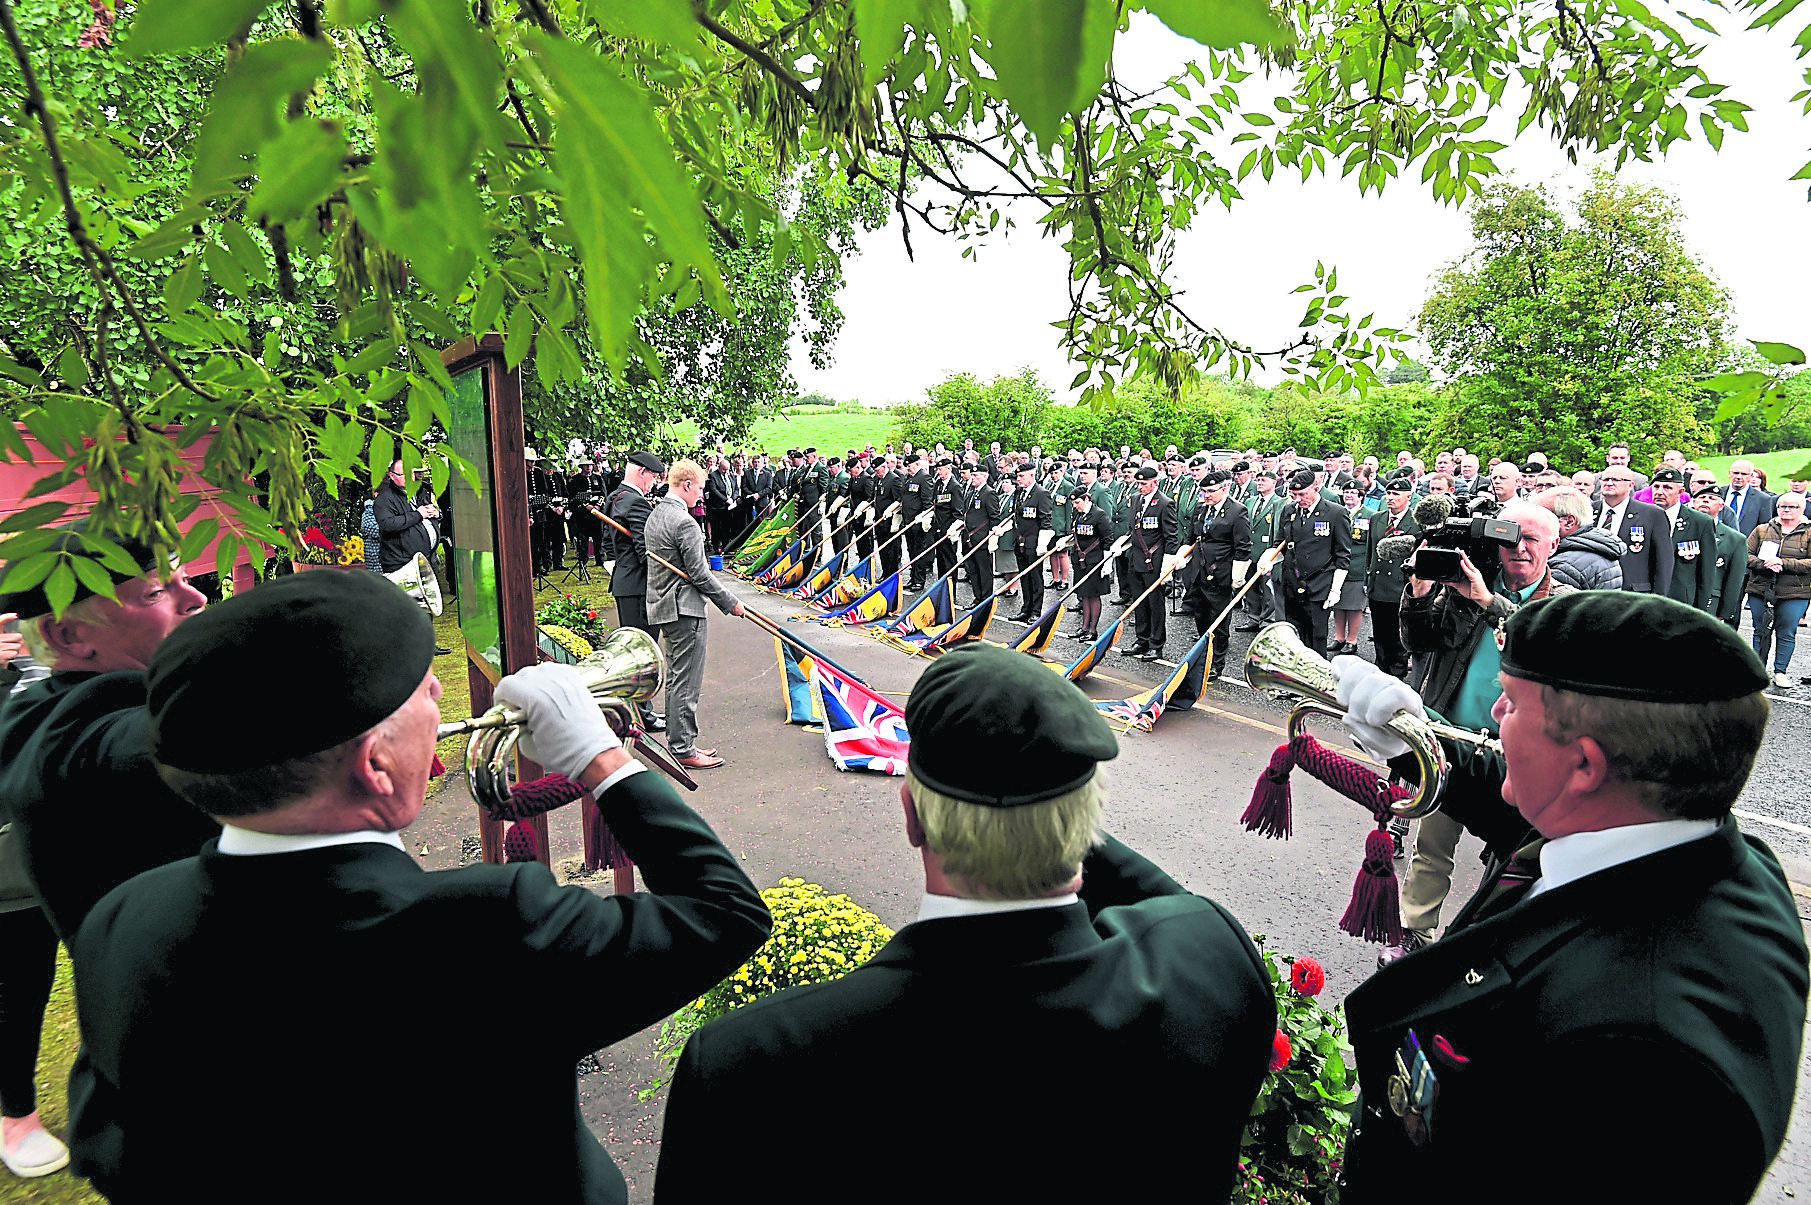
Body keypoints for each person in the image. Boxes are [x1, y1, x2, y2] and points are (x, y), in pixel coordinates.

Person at [67, 569, 770, 1203]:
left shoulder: (120, 918)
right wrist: (602, 759)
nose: (438, 695)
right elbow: (724, 912)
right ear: (375, 763)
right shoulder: (491, 927)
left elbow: (106, 1142)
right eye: (419, 688)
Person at [654, 642, 1274, 1202]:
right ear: (1086, 822)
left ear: (911, 816)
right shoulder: (1209, 966)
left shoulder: (753, 1065)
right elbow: (1174, 904)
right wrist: (1052, 806)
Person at [1338, 593, 1808, 1205]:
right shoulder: (1665, 829)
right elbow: (1535, 822)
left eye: (1511, 699)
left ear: (1585, 766)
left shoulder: (1645, 1064)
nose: (1495, 710)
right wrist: (1412, 743)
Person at [0, 526, 219, 946]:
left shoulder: (41, 706)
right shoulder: (93, 735)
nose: (197, 600)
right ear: (67, 635)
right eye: (155, 593)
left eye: (186, 581)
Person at [1384, 502, 1568, 964]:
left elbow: (1546, 647)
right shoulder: (1462, 587)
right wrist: (1422, 591)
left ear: (1554, 545)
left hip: (1519, 754)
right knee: (1431, 848)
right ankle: (1414, 936)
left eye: (1532, 540)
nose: (1520, 550)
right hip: (1453, 739)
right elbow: (1418, 641)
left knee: (1509, 858)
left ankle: (1483, 949)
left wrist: (1488, 601)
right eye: (1512, 540)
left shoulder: (1563, 601)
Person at [645, 460, 748, 769]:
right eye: (700, 488)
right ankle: (683, 748)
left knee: (679, 678)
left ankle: (683, 741)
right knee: (686, 681)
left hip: (664, 605)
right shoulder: (684, 521)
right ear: (686, 485)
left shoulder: (656, 514)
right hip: (684, 609)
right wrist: (731, 603)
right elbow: (700, 575)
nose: (701, 495)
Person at [606, 450, 668, 731]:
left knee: (633, 650)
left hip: (625, 582)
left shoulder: (616, 497)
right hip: (640, 586)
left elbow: (611, 546)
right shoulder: (636, 503)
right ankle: (641, 714)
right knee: (643, 652)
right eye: (653, 477)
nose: (654, 483)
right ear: (642, 472)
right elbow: (647, 552)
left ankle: (638, 711)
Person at [1274, 468, 1351, 660]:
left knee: (1316, 636)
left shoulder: (1335, 513)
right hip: (1293, 581)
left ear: (1316, 489)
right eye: (1294, 495)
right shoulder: (1289, 510)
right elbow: (1280, 543)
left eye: (1302, 494)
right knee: (1295, 635)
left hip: (1319, 584)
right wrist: (1269, 559)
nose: (1298, 499)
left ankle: (1316, 681)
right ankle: (1295, 681)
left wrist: (1335, 589)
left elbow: (1342, 554)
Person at [1180, 470, 1250, 680]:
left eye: (1211, 491)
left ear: (1225, 488)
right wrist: (1181, 555)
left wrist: (1237, 576)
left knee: (1218, 622)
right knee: (1200, 617)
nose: (1206, 495)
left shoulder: (1237, 511)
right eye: (1203, 491)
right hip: (1199, 572)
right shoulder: (1201, 508)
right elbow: (1192, 537)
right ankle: (1202, 659)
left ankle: (1216, 664)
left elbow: (1243, 547)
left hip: (1221, 575)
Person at [1746, 491, 1810, 690]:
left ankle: (1780, 672)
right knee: (1760, 631)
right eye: (1783, 506)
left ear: (1802, 509)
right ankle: (1756, 672)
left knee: (1786, 632)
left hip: (1795, 593)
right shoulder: (1762, 530)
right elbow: (1745, 555)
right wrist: (1765, 564)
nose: (1787, 510)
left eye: (1792, 507)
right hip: (1760, 588)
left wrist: (1784, 563)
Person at [1363, 477, 1420, 677]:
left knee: (1397, 634)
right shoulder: (1378, 518)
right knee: (1379, 631)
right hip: (1378, 584)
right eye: (1388, 493)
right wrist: (1366, 579)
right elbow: (1370, 551)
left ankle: (1396, 672)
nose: (1390, 497)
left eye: (1396, 494)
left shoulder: (1415, 522)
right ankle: (1380, 669)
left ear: (1409, 497)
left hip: (1400, 585)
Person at [1123, 464, 1180, 662]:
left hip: (1154, 560)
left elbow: (1171, 536)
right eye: (1138, 483)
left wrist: (1168, 564)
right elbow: (1132, 529)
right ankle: (1142, 639)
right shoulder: (1135, 500)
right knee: (1139, 601)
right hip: (1136, 557)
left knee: (1155, 604)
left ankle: (1156, 644)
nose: (1140, 487)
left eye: (1144, 484)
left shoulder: (1165, 503)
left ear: (1155, 483)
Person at [1593, 465, 1672, 595]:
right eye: (1605, 479)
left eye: (1616, 480)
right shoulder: (1589, 511)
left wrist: (1658, 601)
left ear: (1630, 485)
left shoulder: (1652, 514)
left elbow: (1663, 562)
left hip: (1633, 594)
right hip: (1593, 592)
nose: (1609, 483)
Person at [1652, 467, 1718, 612]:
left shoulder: (1700, 522)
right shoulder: (1642, 517)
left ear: (1681, 492)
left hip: (1681, 601)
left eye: (1667, 487)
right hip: (1647, 599)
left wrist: (1700, 609)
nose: (1659, 492)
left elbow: (1706, 570)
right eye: (1656, 486)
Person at [1537, 487, 1622, 590]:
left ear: (1569, 522)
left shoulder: (1565, 568)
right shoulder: (1599, 546)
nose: (1532, 523)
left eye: (1540, 517)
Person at [1692, 485, 1749, 627]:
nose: (1705, 501)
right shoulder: (1680, 529)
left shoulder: (1734, 539)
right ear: (1693, 503)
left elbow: (1734, 579)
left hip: (1711, 601)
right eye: (1702, 498)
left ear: (1721, 506)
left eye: (1711, 498)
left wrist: (1724, 612)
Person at [1329, 483, 1374, 655]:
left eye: (1353, 493)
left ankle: (1352, 640)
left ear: (1361, 496)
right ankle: (1339, 637)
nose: (1348, 495)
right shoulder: (1336, 512)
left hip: (1357, 566)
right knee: (1338, 604)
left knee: (1354, 606)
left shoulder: (1370, 515)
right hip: (1337, 565)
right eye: (1346, 492)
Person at [374, 457, 439, 575]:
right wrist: (418, 515)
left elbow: (429, 514)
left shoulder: (421, 491)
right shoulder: (385, 498)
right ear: (392, 475)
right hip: (402, 563)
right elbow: (387, 524)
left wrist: (436, 514)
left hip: (427, 559)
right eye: (404, 474)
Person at [1007, 464, 1053, 622]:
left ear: (1032, 476)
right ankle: (1025, 608)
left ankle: (1035, 611)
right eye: (1018, 476)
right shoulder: (1019, 492)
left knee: (1035, 577)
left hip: (1033, 542)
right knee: (1024, 576)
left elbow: (1046, 520)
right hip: (1020, 540)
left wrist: (1042, 543)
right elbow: (1016, 515)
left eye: (1021, 476)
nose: (1018, 479)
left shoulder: (1041, 493)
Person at [1721, 458, 1776, 536]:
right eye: (1736, 473)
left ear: (1751, 476)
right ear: (1729, 473)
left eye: (1744, 474)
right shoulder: (1719, 494)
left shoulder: (1762, 499)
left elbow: (1764, 530)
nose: (1739, 477)